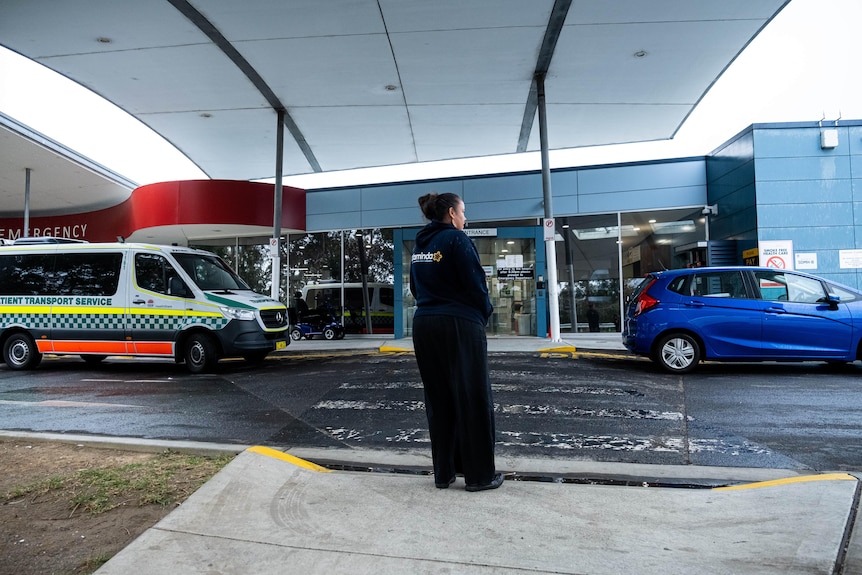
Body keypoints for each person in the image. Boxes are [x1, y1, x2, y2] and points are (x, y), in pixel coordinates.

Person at [409, 192, 503, 492]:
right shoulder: (458, 240)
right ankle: (479, 476)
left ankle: (445, 473)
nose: (465, 217)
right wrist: (483, 314)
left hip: (425, 324)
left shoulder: (419, 244)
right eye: (463, 211)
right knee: (473, 397)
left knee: (439, 398)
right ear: (451, 213)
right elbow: (476, 284)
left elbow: (414, 286)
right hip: (459, 324)